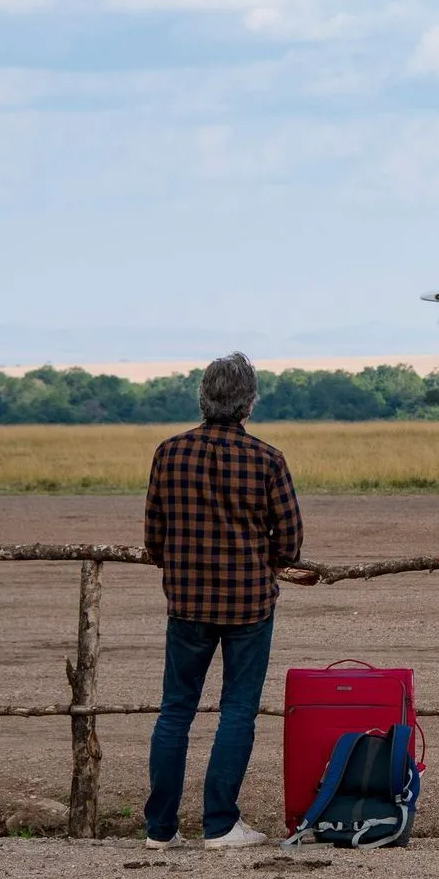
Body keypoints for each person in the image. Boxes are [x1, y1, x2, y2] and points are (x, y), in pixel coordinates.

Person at [142, 353, 303, 850]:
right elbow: (290, 542)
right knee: (238, 709)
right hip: (249, 603)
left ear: (202, 399)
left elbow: (154, 538)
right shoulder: (267, 459)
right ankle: (219, 824)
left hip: (187, 603)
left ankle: (160, 829)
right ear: (249, 404)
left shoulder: (168, 453)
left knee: (175, 710)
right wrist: (265, 562)